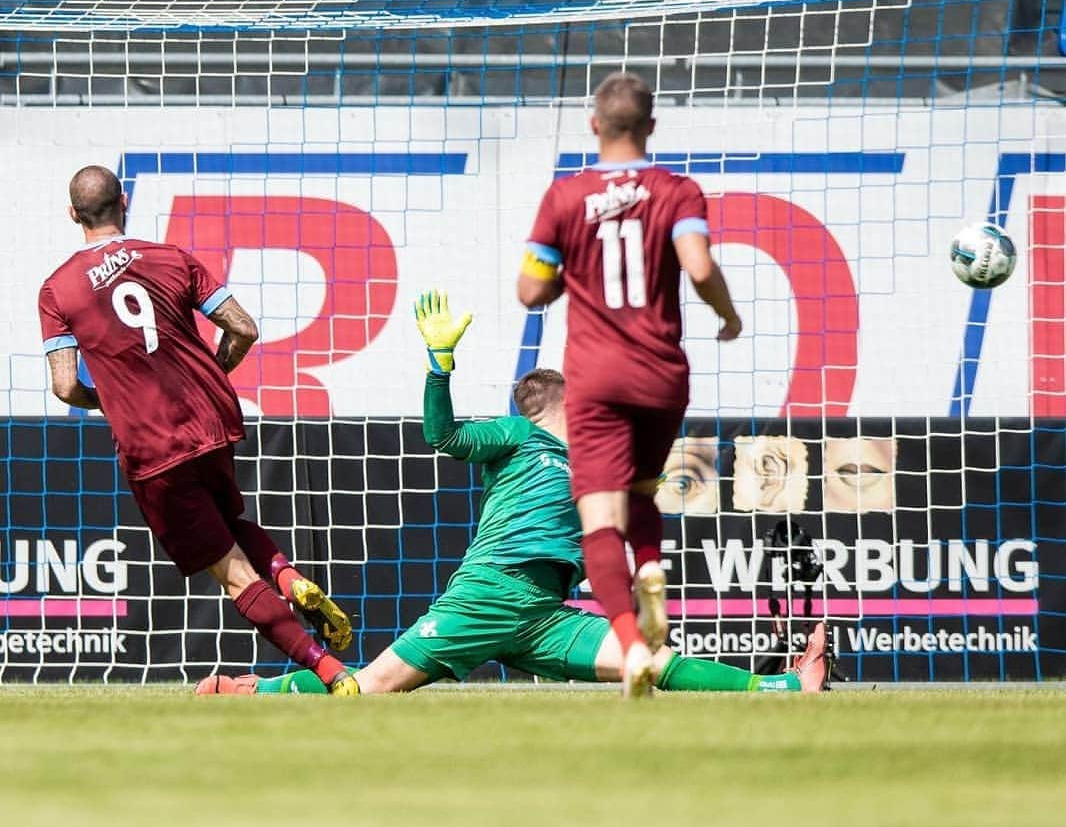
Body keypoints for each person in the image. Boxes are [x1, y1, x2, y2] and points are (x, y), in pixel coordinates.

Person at [197, 292, 829, 697]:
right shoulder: (520, 434)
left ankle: (785, 690)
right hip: (490, 594)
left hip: (542, 613)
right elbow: (440, 434)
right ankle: (251, 692)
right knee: (367, 691)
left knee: (647, 658)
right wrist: (439, 367)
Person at [38, 165, 358, 695]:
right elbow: (244, 328)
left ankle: (330, 672)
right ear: (124, 202)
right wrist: (212, 374)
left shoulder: (58, 289)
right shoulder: (171, 258)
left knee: (232, 575)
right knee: (232, 521)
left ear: (73, 214)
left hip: (151, 445)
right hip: (210, 419)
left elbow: (65, 388)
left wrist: (110, 400)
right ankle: (290, 577)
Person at [518, 71, 743, 697]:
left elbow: (531, 290)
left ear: (595, 126)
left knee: (597, 518)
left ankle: (633, 642)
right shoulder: (677, 190)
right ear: (650, 127)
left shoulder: (564, 199)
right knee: (644, 492)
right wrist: (728, 315)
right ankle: (650, 567)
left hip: (595, 380)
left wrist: (571, 273)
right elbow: (698, 266)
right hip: (662, 375)